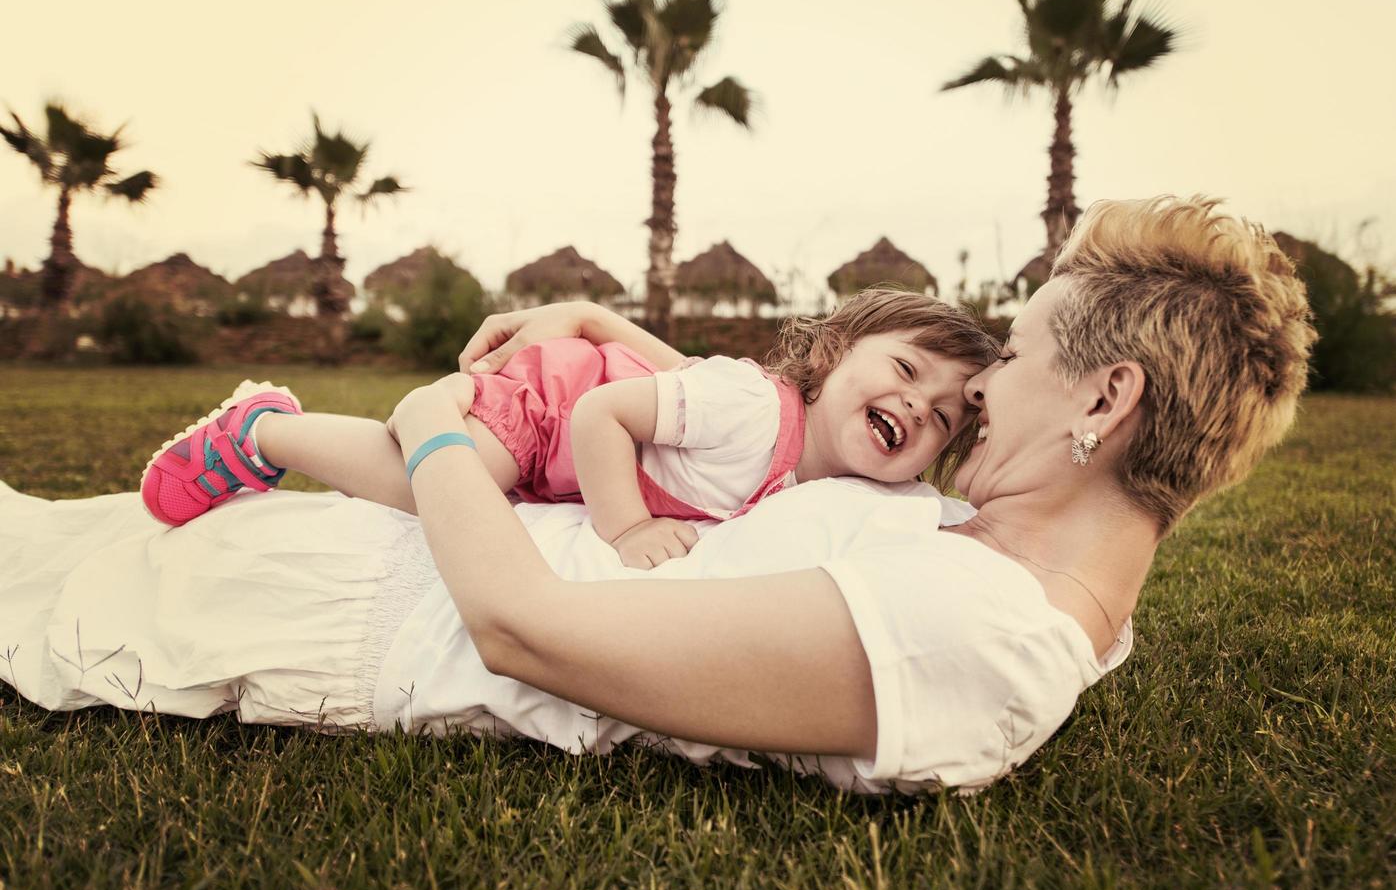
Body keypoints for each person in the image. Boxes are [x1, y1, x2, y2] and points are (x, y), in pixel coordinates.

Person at [0, 196, 1314, 793]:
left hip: (364, 614)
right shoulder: (1001, 555)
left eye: (1014, 357)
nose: (983, 392)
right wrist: (590, 323)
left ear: (1105, 401)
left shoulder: (978, 627)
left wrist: (432, 431)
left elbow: (528, 630)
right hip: (389, 550)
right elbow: (751, 441)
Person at [137, 290, 991, 568]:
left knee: (454, 489)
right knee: (440, 488)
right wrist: (626, 527)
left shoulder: (822, 477)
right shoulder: (762, 411)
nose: (919, 407)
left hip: (568, 435)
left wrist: (594, 317)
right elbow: (601, 410)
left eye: (942, 417)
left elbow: (675, 372)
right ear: (833, 356)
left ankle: (268, 431)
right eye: (907, 373)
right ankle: (261, 432)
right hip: (554, 406)